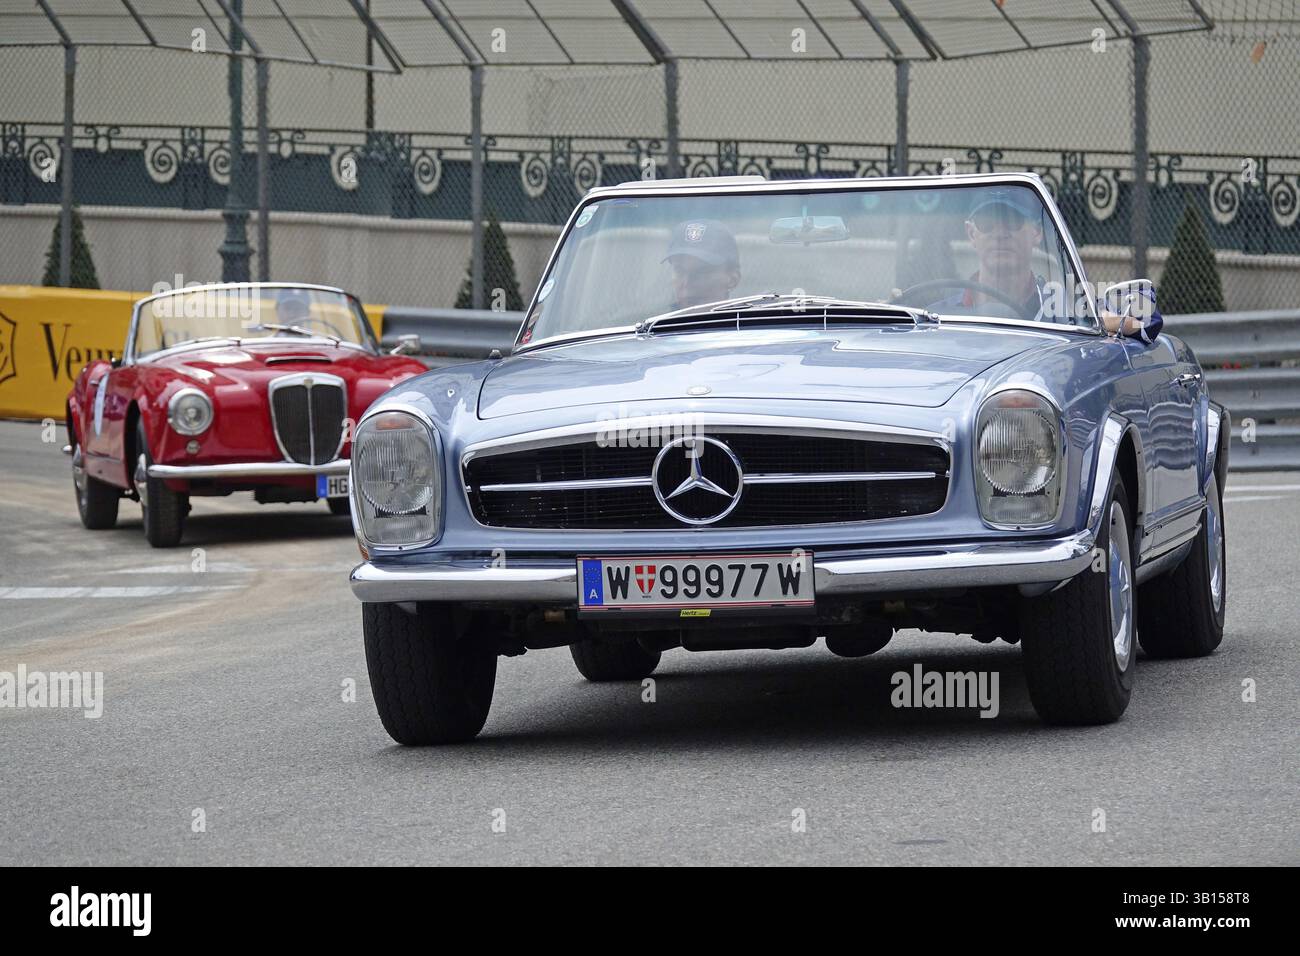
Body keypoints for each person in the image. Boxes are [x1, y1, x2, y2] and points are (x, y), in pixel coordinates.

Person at [930, 187, 1049, 321]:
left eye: (1013, 221)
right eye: (986, 223)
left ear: (1037, 231)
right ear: (971, 233)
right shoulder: (938, 319)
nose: (1000, 234)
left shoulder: (1064, 316)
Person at [662, 219, 741, 310]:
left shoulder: (752, 323)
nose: (687, 282)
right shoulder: (653, 323)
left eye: (701, 272)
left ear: (732, 279)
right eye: (679, 270)